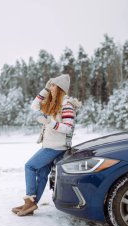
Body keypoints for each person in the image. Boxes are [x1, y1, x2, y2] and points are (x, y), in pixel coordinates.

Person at [12, 74, 81, 216]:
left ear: (61, 88)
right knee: (42, 174)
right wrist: (45, 89)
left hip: (56, 147)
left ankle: (29, 201)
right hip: (50, 145)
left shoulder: (67, 106)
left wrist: (50, 123)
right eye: (50, 85)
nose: (51, 88)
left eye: (53, 85)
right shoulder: (53, 104)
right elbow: (34, 106)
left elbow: (68, 127)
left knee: (30, 166)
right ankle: (31, 205)